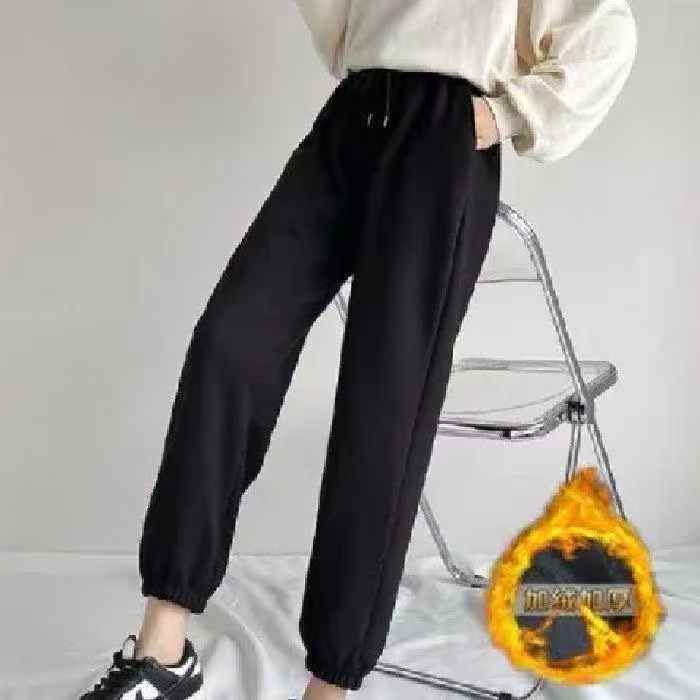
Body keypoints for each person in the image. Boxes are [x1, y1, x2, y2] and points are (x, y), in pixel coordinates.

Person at [80, 0, 637, 698]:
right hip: (355, 111)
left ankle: (331, 681)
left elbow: (605, 30)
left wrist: (505, 114)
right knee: (229, 344)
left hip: (444, 128)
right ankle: (163, 646)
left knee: (385, 401)